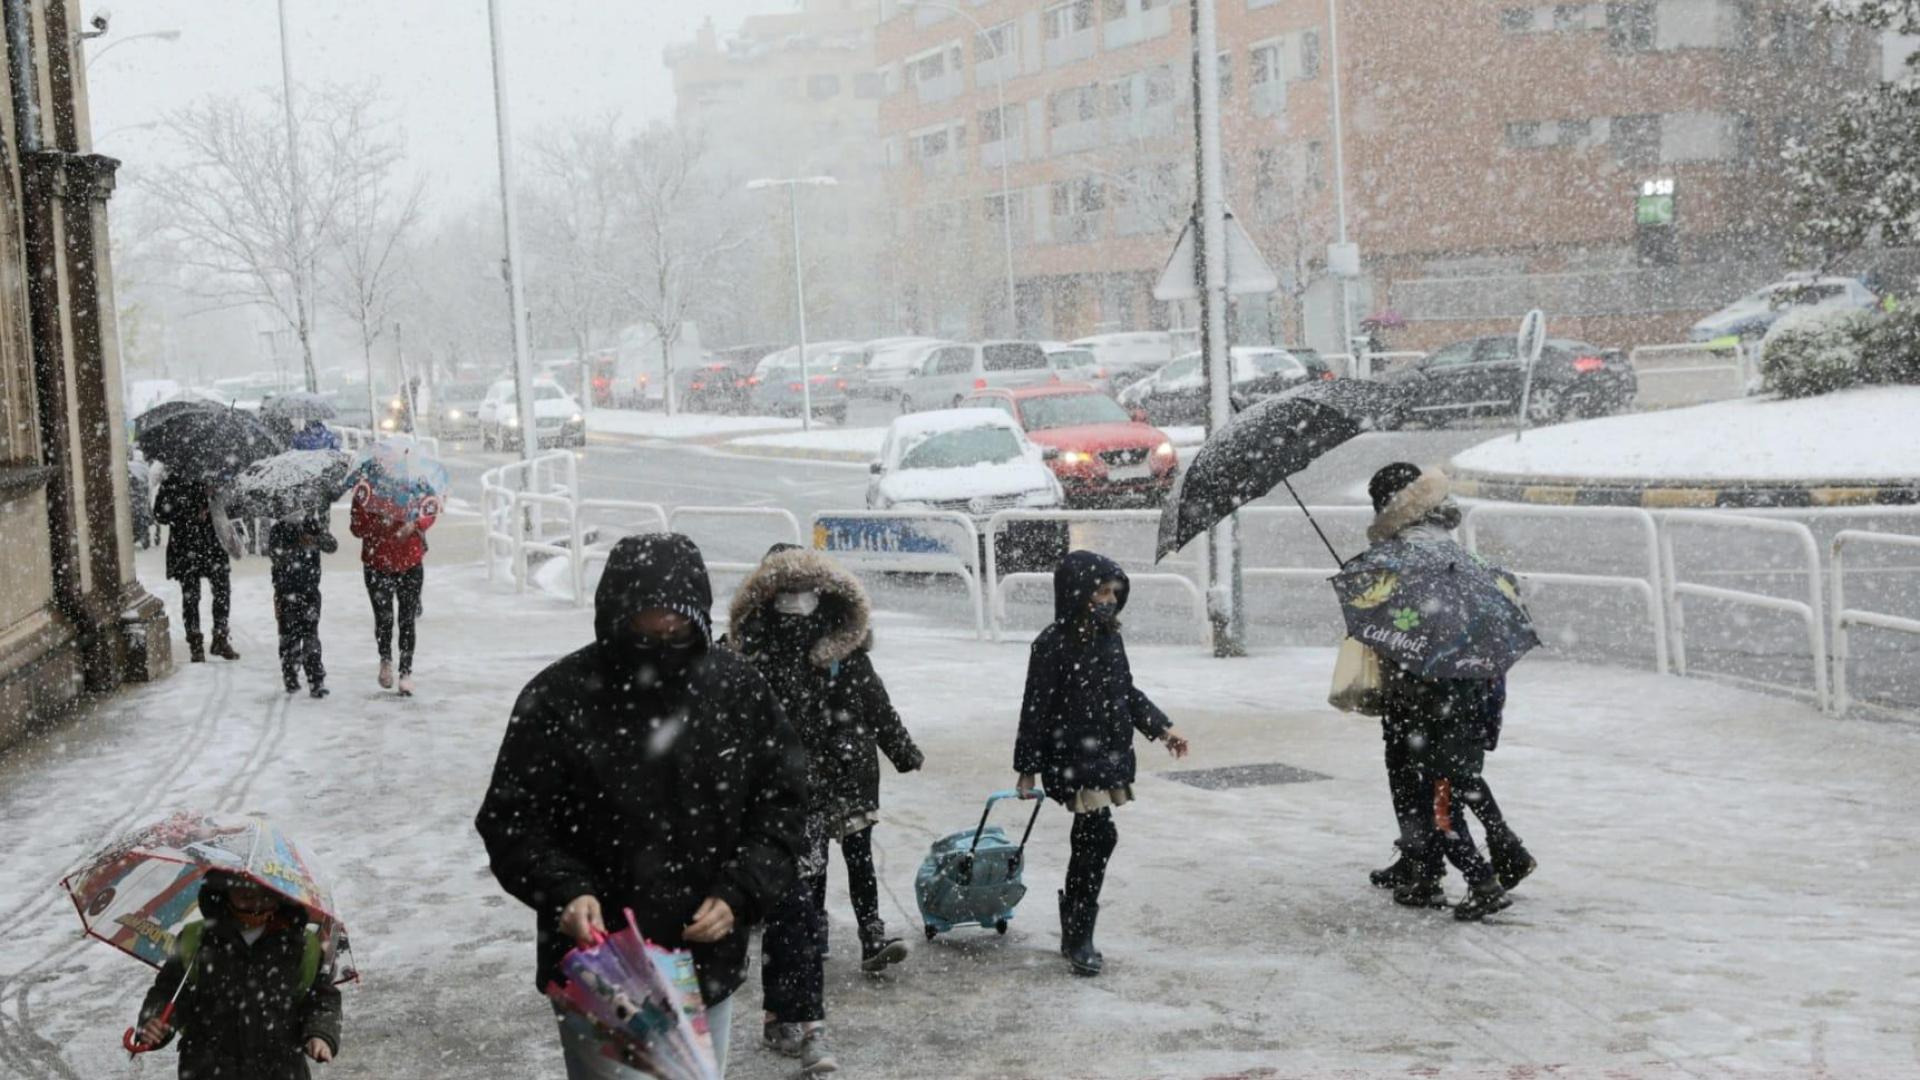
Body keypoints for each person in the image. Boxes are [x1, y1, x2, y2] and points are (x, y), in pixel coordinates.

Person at [476, 533, 809, 1080]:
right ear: (613, 619)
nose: (660, 641)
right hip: (600, 961)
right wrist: (565, 889)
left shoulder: (738, 691)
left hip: (705, 958)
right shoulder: (557, 698)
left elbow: (783, 806)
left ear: (697, 620)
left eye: (675, 629)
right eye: (644, 629)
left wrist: (741, 890)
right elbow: (511, 821)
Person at [728, 546, 923, 1073]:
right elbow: (717, 719)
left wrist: (899, 751)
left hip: (819, 797)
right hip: (765, 805)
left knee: (801, 912)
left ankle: (810, 1021)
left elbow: (873, 701)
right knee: (784, 911)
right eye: (786, 591)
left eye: (807, 591)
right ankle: (778, 1015)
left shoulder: (838, 649)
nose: (797, 602)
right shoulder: (746, 653)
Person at [1360, 463, 1533, 921]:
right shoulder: (1455, 558)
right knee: (1456, 780)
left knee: (1430, 789)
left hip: (1422, 696)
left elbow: (1401, 625)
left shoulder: (1406, 559)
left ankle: (1450, 872)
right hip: (1465, 693)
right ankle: (1497, 850)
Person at [1015, 550, 1189, 977]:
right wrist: (1027, 767)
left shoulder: (1110, 638)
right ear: (1078, 593)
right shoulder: (1052, 644)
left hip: (1108, 753)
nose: (1109, 599)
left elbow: (1125, 691)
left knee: (1093, 840)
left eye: (1114, 592)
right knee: (1099, 836)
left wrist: (1162, 729)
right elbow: (1034, 709)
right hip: (1074, 756)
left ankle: (1074, 925)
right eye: (1101, 591)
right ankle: (1079, 934)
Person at [131, 870, 342, 1079]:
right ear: (224, 889)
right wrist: (155, 1022)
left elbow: (321, 998)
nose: (257, 901)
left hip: (280, 1069)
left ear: (281, 894)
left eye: (266, 893)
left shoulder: (302, 944)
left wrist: (320, 1033)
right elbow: (169, 992)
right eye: (246, 893)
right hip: (207, 1069)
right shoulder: (197, 939)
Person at [349, 483, 434, 696]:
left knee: (407, 619)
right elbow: (356, 527)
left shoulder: (418, 483)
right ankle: (385, 660)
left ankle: (406, 671)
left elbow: (430, 508)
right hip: (377, 562)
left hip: (410, 561)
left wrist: (416, 524)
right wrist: (379, 522)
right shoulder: (367, 487)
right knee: (384, 618)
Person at [154, 474, 239, 664]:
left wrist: (215, 497)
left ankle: (220, 636)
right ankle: (195, 644)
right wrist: (188, 511)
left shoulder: (214, 478)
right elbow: (160, 514)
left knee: (222, 591)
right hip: (186, 547)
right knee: (191, 596)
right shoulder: (173, 483)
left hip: (213, 546)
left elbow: (231, 509)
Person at [268, 513, 337, 698]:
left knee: (310, 635)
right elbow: (275, 556)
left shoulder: (310, 523)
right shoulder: (278, 528)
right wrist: (296, 544)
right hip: (285, 591)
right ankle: (290, 674)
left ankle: (316, 679)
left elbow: (332, 545)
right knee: (288, 636)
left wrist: (315, 537)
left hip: (310, 590)